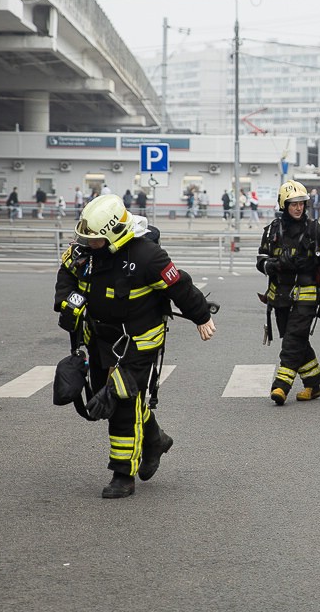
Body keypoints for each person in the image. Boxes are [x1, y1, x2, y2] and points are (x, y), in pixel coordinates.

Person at [54, 194, 216, 499]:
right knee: (102, 397)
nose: (88, 244)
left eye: (95, 240)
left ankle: (123, 475)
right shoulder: (83, 252)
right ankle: (154, 439)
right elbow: (66, 278)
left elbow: (178, 286)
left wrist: (201, 315)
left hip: (138, 343)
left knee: (122, 400)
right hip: (98, 340)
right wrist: (68, 302)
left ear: (114, 234)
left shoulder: (147, 257)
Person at [257, 180, 320, 405]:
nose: (298, 208)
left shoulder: (317, 231)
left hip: (307, 296)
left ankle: (281, 386)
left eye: (302, 204)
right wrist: (272, 265)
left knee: (293, 340)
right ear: (284, 205)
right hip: (280, 297)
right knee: (296, 340)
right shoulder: (273, 231)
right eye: (293, 204)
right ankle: (314, 383)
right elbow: (261, 260)